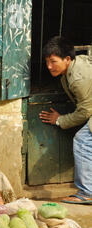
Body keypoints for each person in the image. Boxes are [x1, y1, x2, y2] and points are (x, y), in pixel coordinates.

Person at [39, 36, 92, 204]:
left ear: (67, 59)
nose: (49, 66)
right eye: (47, 62)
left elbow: (86, 111)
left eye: (53, 62)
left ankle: (86, 192)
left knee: (83, 141)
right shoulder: (72, 68)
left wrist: (60, 120)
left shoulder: (77, 79)